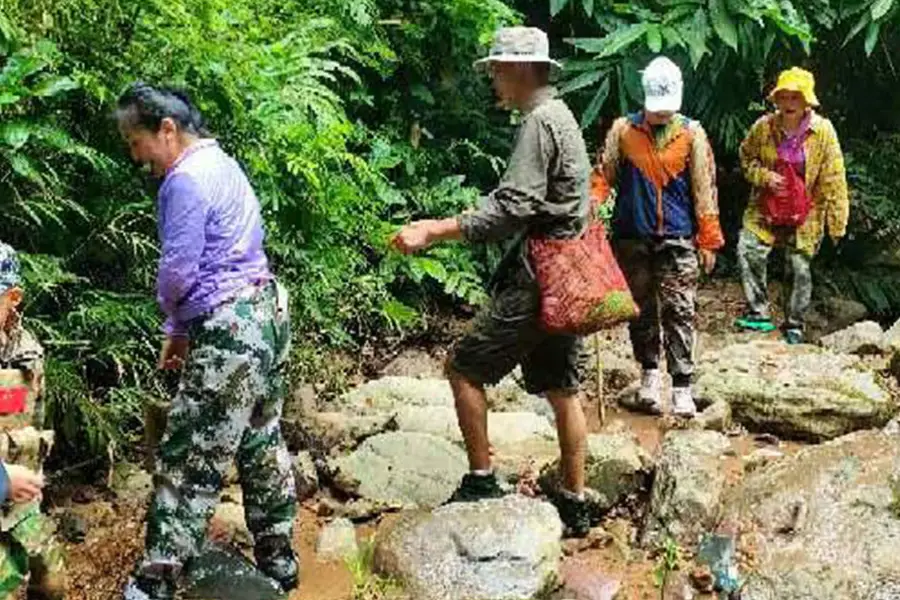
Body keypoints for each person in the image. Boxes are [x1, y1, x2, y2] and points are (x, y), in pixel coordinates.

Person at [393, 27, 593, 537]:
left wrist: (434, 230)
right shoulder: (563, 116)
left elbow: (514, 207)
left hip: (540, 276)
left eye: (498, 70)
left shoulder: (538, 123)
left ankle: (482, 478)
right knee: (560, 387)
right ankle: (574, 499)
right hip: (570, 274)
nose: (493, 80)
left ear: (522, 70)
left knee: (463, 369)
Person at [116, 84, 297, 600]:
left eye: (136, 142)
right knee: (261, 442)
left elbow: (177, 272)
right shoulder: (222, 163)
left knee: (189, 453)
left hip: (229, 328)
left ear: (166, 130)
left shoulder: (185, 180)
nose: (136, 157)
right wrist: (179, 332)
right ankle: (280, 567)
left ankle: (154, 583)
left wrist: (170, 321)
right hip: (265, 313)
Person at [598, 56, 724, 418]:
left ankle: (682, 387)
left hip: (677, 237)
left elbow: (705, 188)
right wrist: (591, 206)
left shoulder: (691, 134)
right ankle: (649, 376)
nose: (661, 116)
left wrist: (709, 238)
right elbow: (604, 176)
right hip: (631, 236)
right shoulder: (623, 130)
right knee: (641, 310)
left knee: (680, 310)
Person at [734, 67, 849, 344]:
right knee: (748, 249)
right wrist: (763, 176)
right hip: (766, 206)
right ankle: (758, 312)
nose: (788, 104)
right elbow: (746, 158)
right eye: (783, 97)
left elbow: (834, 177)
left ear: (806, 101)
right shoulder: (763, 128)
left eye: (795, 97)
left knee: (798, 266)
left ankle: (794, 323)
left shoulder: (823, 132)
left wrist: (837, 222)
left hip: (806, 210)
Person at [0, 242, 67, 600]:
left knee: (53, 584)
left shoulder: (27, 350)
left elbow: (33, 414)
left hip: (24, 507)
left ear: (13, 298)